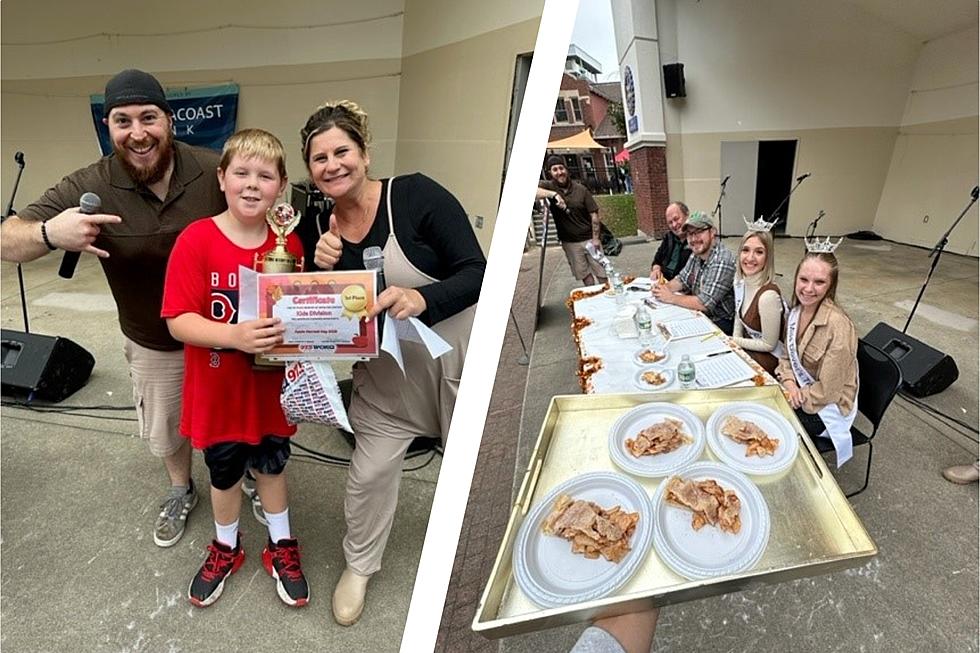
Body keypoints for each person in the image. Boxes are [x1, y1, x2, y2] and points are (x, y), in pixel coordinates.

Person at [0, 69, 227, 548]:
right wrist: (49, 234)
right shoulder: (91, 183)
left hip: (224, 333)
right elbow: (7, 239)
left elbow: (267, 206)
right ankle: (181, 488)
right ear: (109, 127)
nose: (138, 132)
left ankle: (242, 476)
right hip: (152, 339)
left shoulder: (214, 169)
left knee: (232, 422)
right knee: (167, 433)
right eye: (123, 121)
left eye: (149, 117)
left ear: (169, 119)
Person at [302, 100, 485, 625]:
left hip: (449, 368)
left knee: (468, 467)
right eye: (320, 159)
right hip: (385, 380)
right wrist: (319, 271)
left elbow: (477, 271)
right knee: (369, 474)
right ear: (311, 171)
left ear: (364, 153)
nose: (333, 165)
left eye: (342, 151)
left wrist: (423, 299)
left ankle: (474, 549)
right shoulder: (320, 224)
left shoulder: (415, 196)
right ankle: (359, 565)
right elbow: (324, 316)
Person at [161, 129, 309, 608]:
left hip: (269, 390)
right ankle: (227, 547)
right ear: (222, 178)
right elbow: (178, 321)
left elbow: (303, 315)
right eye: (241, 173)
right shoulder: (196, 239)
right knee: (223, 474)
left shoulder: (291, 246)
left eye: (265, 175)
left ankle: (280, 544)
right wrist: (234, 336)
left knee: (272, 464)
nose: (252, 184)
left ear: (281, 186)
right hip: (219, 390)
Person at [774, 250, 858, 460]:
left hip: (827, 407)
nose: (808, 289)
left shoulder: (839, 326)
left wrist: (797, 396)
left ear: (831, 285)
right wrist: (790, 384)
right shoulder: (795, 312)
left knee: (774, 425)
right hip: (799, 391)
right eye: (803, 279)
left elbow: (828, 391)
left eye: (819, 282)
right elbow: (785, 357)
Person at [651, 211, 736, 335]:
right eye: (690, 234)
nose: (694, 239)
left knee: (675, 335)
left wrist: (670, 297)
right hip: (701, 315)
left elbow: (704, 303)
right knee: (662, 324)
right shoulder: (696, 254)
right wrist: (663, 288)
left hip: (721, 322)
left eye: (699, 232)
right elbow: (681, 279)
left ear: (712, 232)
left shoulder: (722, 260)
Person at [536, 155, 606, 286]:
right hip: (570, 243)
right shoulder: (549, 186)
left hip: (589, 240)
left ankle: (608, 297)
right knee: (584, 274)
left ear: (566, 170)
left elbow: (594, 215)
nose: (559, 172)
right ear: (550, 173)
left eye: (561, 168)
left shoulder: (581, 190)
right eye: (555, 169)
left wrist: (596, 238)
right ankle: (593, 299)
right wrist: (553, 194)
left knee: (602, 272)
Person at [730, 226, 785, 374]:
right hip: (748, 347)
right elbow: (738, 314)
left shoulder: (768, 296)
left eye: (759, 252)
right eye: (745, 250)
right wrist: (735, 339)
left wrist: (734, 342)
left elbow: (769, 345)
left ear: (768, 257)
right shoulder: (740, 282)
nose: (750, 258)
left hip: (766, 359)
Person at [649, 201, 692, 282]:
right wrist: (656, 270)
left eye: (676, 219)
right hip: (663, 281)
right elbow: (657, 260)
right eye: (670, 222)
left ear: (686, 215)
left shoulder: (694, 240)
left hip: (680, 285)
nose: (674, 225)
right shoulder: (669, 237)